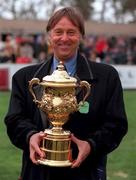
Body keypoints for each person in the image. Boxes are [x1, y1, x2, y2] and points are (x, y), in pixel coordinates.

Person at [4, 7, 128, 180]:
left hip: (85, 172)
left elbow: (116, 124)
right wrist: (30, 136)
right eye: (58, 32)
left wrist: (91, 145)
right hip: (37, 171)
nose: (64, 38)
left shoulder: (107, 77)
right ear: (49, 37)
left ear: (81, 36)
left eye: (71, 32)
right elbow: (14, 120)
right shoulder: (24, 78)